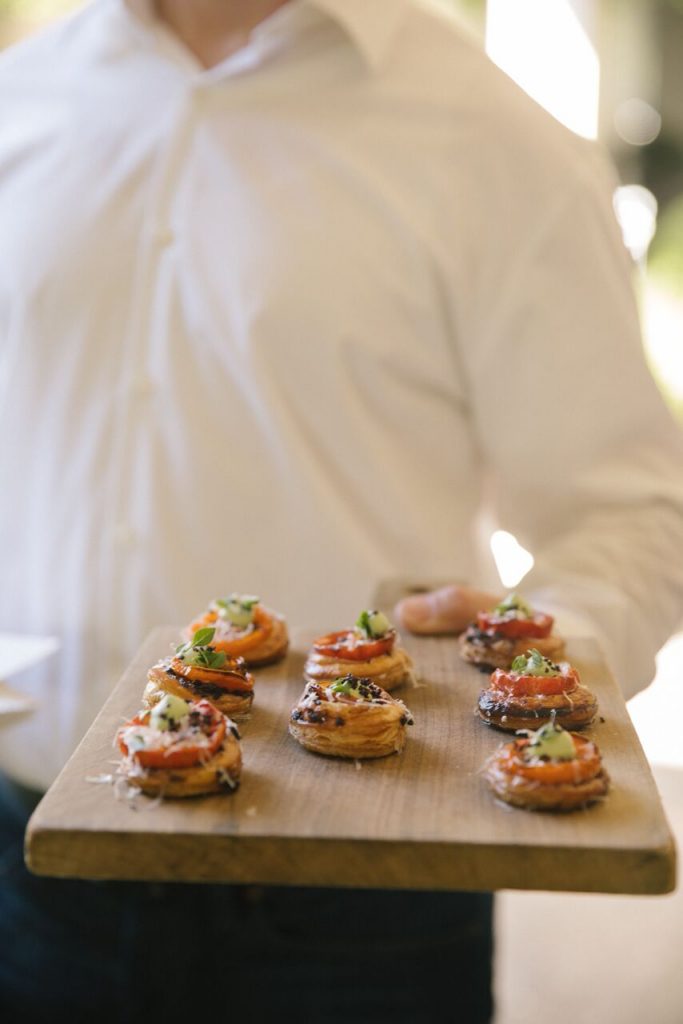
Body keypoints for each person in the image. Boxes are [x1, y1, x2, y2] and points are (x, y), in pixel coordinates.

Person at [1, 0, 682, 1020]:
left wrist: (536, 660)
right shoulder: (20, 96)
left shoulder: (491, 136)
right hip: (26, 864)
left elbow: (631, 510)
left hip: (359, 913)